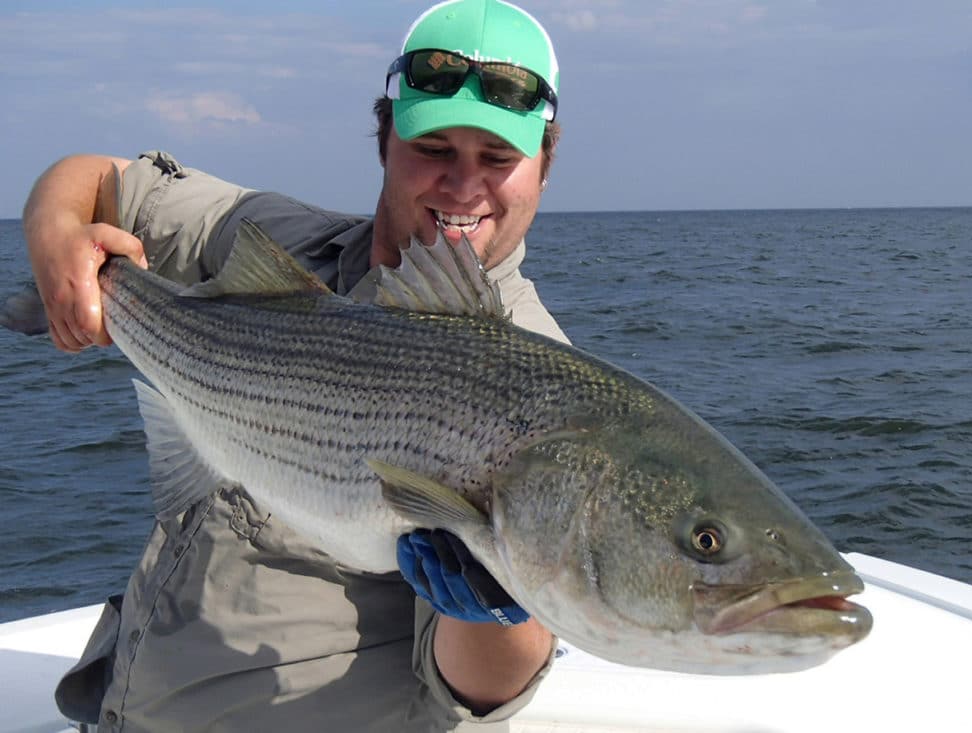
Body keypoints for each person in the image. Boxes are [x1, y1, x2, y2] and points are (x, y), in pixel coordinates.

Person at [22, 1, 568, 730]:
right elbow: (91, 176)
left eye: (497, 159)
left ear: (544, 165)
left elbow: (475, 694)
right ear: (385, 141)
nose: (464, 186)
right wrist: (62, 245)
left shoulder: (547, 386)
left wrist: (504, 607)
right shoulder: (278, 236)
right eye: (434, 147)